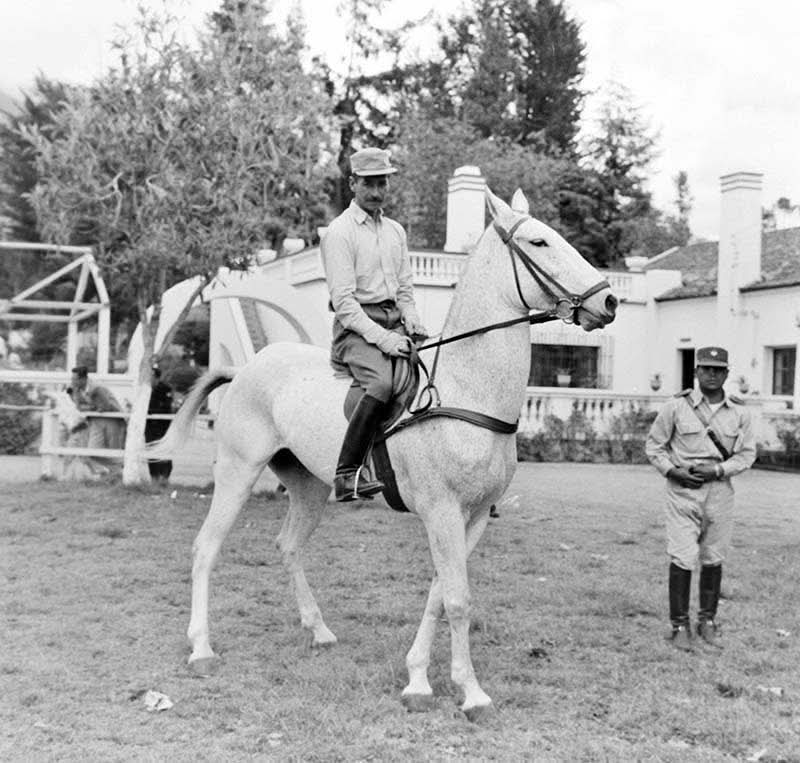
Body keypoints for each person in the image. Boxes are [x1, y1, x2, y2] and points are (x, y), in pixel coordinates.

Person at [321, 147, 428, 501]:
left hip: (394, 322)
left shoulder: (396, 231)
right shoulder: (340, 232)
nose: (377, 191)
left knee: (429, 372)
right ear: (353, 183)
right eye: (369, 183)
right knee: (381, 384)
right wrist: (385, 340)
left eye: (382, 182)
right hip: (356, 329)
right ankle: (347, 473)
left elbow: (405, 289)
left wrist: (411, 319)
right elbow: (344, 304)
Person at [645, 346, 756, 650]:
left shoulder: (740, 412)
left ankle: (707, 620)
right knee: (682, 555)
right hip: (683, 491)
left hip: (719, 492)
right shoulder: (676, 407)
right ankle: (679, 624)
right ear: (696, 372)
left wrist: (719, 469)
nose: (711, 374)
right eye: (705, 369)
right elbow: (654, 446)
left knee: (713, 556)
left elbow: (747, 454)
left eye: (718, 370)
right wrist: (672, 471)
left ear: (726, 374)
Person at [67, 365, 125, 476]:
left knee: (113, 449)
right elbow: (79, 407)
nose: (72, 381)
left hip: (111, 419)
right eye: (72, 379)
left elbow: (105, 407)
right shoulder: (78, 389)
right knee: (92, 451)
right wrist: (88, 406)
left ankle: (118, 475)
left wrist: (88, 407)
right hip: (95, 420)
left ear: (83, 379)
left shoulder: (97, 388)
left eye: (75, 379)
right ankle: (122, 464)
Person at [145, 366, 174, 482]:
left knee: (164, 451)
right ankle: (154, 477)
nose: (149, 379)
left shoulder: (165, 389)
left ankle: (164, 477)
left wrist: (152, 411)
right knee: (151, 452)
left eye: (151, 376)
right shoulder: (145, 390)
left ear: (156, 377)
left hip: (162, 426)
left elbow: (166, 407)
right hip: (150, 427)